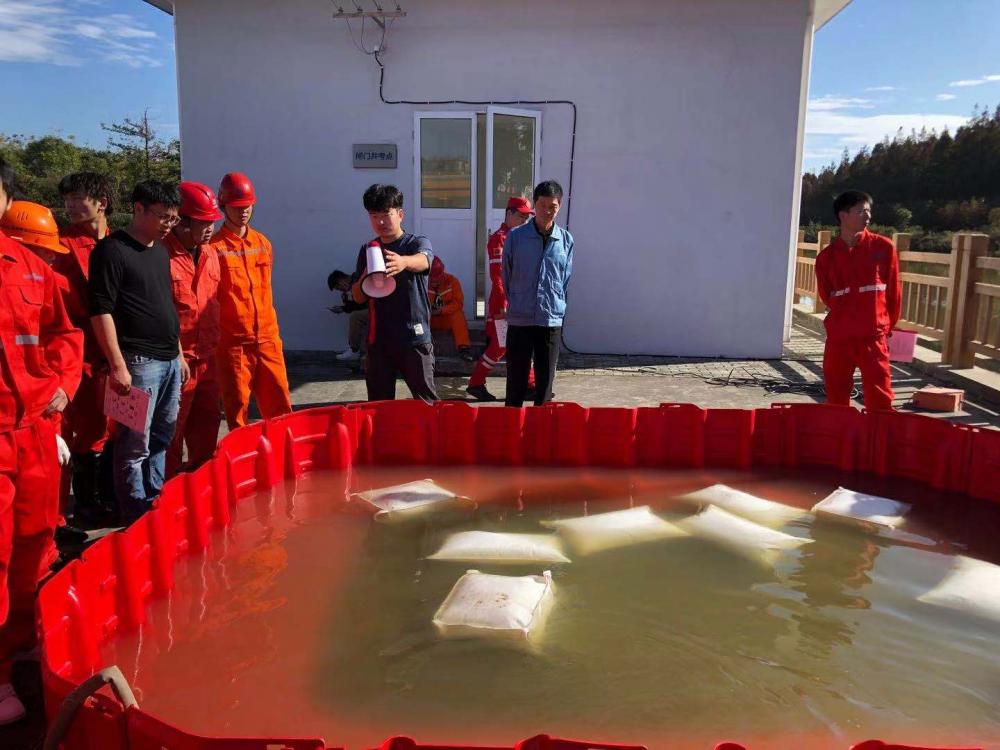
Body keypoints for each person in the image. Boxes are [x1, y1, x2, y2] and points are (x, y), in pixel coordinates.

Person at [0, 161, 83, 724]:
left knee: (35, 542)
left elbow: (64, 333)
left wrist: (61, 383)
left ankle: (22, 644)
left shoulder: (30, 269)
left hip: (33, 433)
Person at [89, 180, 187, 524]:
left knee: (162, 435)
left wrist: (180, 353)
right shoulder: (112, 251)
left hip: (169, 360)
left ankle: (154, 498)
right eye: (163, 217)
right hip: (136, 363)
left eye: (174, 219)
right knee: (133, 444)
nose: (168, 225)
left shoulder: (160, 250)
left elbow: (165, 304)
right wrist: (117, 365)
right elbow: (100, 310)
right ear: (139, 209)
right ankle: (132, 511)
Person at [210, 172, 293, 428]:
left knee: (280, 406)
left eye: (247, 206)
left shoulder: (263, 243)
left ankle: (282, 458)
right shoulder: (214, 248)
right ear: (224, 206)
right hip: (233, 344)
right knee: (236, 409)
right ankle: (241, 464)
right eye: (237, 207)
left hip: (268, 338)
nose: (243, 211)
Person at [56, 172, 116, 525]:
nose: (70, 205)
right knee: (87, 427)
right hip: (80, 355)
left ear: (101, 203)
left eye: (79, 197)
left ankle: (107, 495)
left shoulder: (122, 243)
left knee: (120, 425)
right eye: (67, 199)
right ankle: (85, 504)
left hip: (117, 353)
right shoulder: (60, 247)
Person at [815, 190, 901, 411]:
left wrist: (885, 327)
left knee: (880, 395)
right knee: (836, 393)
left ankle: (879, 441)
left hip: (872, 335)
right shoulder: (827, 258)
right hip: (840, 337)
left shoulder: (883, 248)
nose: (868, 216)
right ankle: (840, 439)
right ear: (843, 215)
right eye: (862, 211)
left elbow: (894, 292)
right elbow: (827, 295)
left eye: (869, 211)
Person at [352, 184, 438, 402]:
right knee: (380, 405)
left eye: (386, 215)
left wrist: (403, 262)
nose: (380, 222)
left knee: (427, 402)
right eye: (374, 215)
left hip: (414, 337)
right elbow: (358, 296)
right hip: (379, 341)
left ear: (400, 214)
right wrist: (365, 277)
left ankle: (431, 437)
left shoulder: (416, 243)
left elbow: (424, 260)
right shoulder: (368, 249)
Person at [165, 182, 223, 478]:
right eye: (204, 222)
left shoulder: (210, 253)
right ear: (181, 221)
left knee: (207, 424)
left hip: (208, 357)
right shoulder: (160, 255)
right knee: (171, 430)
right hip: (177, 361)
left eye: (213, 221)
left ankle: (200, 484)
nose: (211, 227)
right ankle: (168, 489)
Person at [503, 180, 574, 407]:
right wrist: (517, 299)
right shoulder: (516, 237)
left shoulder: (565, 240)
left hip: (550, 320)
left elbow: (565, 279)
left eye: (552, 206)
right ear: (535, 204)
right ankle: (511, 434)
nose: (546, 211)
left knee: (544, 385)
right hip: (520, 318)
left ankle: (540, 436)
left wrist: (556, 303)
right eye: (542, 205)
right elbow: (507, 275)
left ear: (559, 206)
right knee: (516, 384)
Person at [467, 196, 535, 402]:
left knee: (520, 343)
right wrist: (505, 304)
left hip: (518, 301)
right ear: (510, 213)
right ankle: (476, 383)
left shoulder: (519, 237)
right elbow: (497, 276)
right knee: (501, 345)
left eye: (527, 217)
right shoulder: (499, 239)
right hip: (503, 302)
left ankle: (530, 385)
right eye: (521, 216)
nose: (525, 220)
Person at [428, 256, 474, 362]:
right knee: (419, 317)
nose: (435, 280)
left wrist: (441, 310)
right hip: (429, 320)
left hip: (446, 319)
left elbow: (458, 303)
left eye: (437, 277)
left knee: (458, 315)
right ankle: (421, 349)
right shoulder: (422, 283)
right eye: (433, 278)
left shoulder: (452, 281)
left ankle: (464, 349)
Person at [327, 269, 368, 362]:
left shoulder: (358, 280)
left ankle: (354, 350)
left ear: (341, 280)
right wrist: (343, 307)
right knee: (360, 323)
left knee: (355, 316)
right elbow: (356, 307)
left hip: (377, 310)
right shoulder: (347, 292)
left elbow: (364, 302)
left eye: (338, 287)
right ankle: (361, 355)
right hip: (368, 312)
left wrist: (350, 296)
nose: (340, 290)